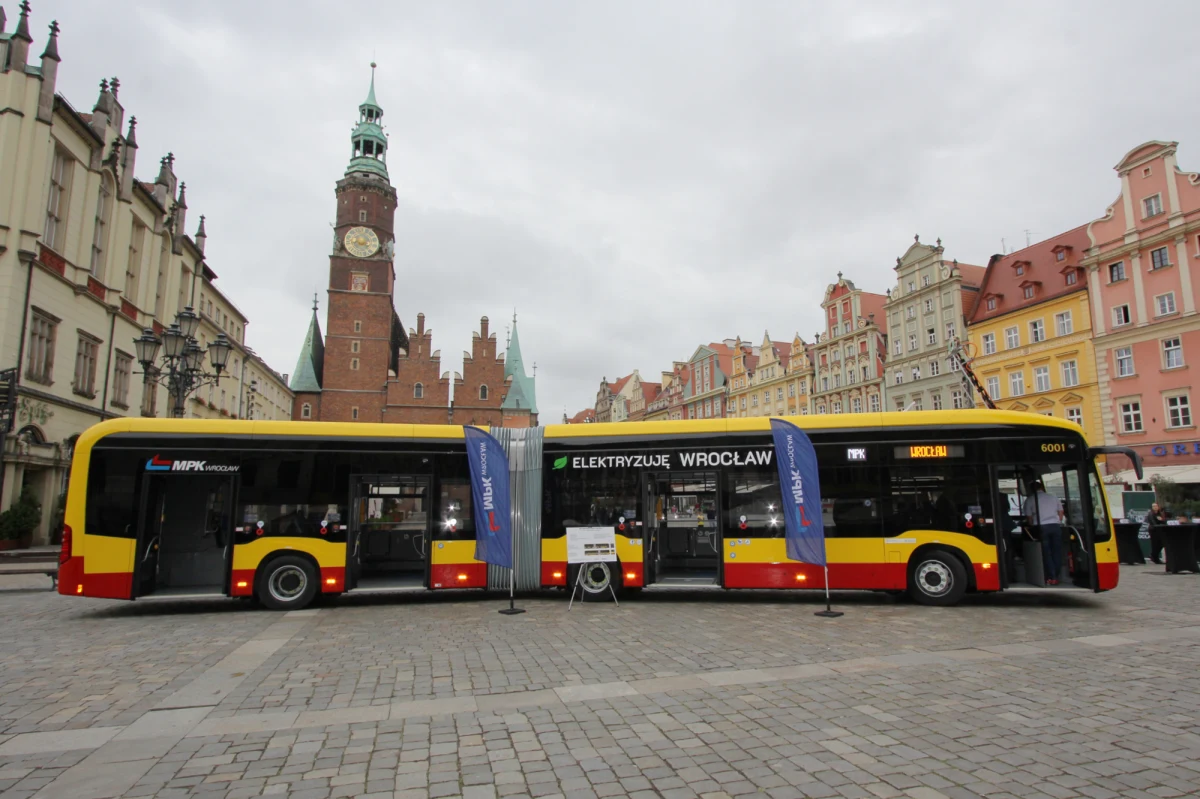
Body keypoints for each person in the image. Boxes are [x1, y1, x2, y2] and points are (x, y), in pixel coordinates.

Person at [1022, 479, 1065, 585]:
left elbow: (1029, 517)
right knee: (1056, 551)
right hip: (1055, 526)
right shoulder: (1053, 497)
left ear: (1031, 490)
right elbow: (1061, 511)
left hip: (1041, 527)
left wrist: (1031, 524)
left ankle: (1051, 576)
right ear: (1042, 487)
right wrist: (1058, 521)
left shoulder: (1030, 499)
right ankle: (1056, 575)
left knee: (1046, 553)